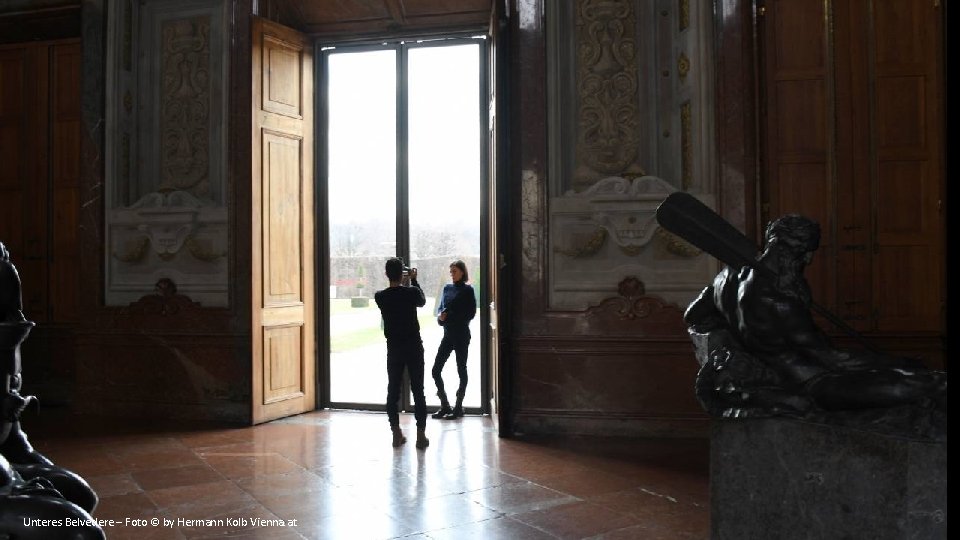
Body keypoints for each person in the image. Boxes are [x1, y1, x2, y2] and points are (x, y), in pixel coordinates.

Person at [684, 214, 946, 421]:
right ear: (787, 247)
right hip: (813, 385)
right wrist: (898, 361)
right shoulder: (778, 299)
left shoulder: (726, 277)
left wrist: (732, 341)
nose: (809, 259)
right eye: (806, 251)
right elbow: (833, 359)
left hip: (784, 377)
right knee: (925, 384)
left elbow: (694, 316)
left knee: (914, 379)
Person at [374, 258, 429, 449]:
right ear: (402, 273)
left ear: (386, 274)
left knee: (393, 390)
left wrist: (402, 282)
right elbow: (421, 300)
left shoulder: (380, 296)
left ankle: (396, 432)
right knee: (418, 390)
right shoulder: (411, 292)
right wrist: (413, 280)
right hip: (413, 345)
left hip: (394, 347)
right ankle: (421, 435)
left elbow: (395, 294)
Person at [430, 260, 477, 420]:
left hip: (462, 335)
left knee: (461, 369)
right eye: (451, 271)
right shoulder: (447, 288)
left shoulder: (468, 290)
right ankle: (445, 405)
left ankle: (458, 407)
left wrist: (449, 316)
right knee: (435, 370)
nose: (452, 273)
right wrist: (441, 317)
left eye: (455, 271)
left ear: (462, 272)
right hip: (448, 334)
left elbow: (470, 314)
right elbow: (440, 309)